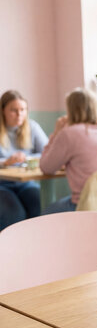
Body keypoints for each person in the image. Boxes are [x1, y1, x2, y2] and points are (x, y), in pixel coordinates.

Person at [40, 88, 97, 213]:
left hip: (87, 206)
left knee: (42, 216)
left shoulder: (69, 134)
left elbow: (46, 167)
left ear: (71, 110)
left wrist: (56, 133)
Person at [0, 90, 49, 230]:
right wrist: (5, 162)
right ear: (3, 111)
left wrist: (26, 158)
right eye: (13, 110)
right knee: (14, 214)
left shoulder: (32, 127)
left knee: (40, 206)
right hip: (2, 185)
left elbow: (47, 153)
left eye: (23, 110)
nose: (19, 114)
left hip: (25, 183)